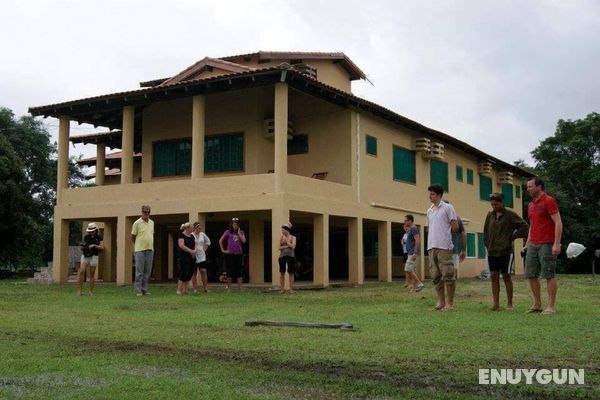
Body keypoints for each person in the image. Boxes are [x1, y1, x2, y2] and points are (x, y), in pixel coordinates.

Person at [483, 192, 529, 311]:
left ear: (502, 203)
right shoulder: (489, 215)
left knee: (506, 276)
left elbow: (524, 226)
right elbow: (486, 231)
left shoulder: (510, 215)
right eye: (492, 204)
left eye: (496, 204)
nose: (494, 206)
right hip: (492, 251)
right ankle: (495, 304)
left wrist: (512, 237)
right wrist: (487, 244)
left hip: (505, 251)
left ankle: (509, 304)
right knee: (493, 276)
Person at [524, 177, 562, 315]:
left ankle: (551, 306)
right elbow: (532, 225)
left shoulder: (549, 201)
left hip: (547, 243)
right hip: (533, 243)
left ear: (539, 187)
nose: (528, 189)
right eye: (527, 187)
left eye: (530, 186)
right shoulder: (531, 204)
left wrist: (556, 243)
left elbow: (558, 222)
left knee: (548, 274)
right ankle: (537, 304)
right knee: (531, 274)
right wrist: (527, 242)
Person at [426, 184, 459, 311]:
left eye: (432, 194)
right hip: (431, 246)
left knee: (448, 274)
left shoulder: (448, 208)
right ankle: (441, 302)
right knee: (435, 275)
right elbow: (430, 228)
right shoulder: (429, 211)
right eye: (429, 194)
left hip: (444, 246)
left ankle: (449, 304)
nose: (430, 196)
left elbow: (455, 226)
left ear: (439, 195)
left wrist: (448, 234)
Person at [131, 205, 154, 296]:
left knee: (147, 271)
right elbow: (132, 237)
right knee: (139, 271)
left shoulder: (152, 222)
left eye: (148, 212)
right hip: (140, 250)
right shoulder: (137, 223)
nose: (147, 214)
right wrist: (137, 245)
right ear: (142, 212)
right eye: (145, 212)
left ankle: (144, 289)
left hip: (150, 249)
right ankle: (138, 290)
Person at [77, 222, 104, 296]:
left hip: (94, 256)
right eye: (89, 231)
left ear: (95, 230)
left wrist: (94, 246)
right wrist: (83, 247)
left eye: (92, 230)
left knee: (92, 274)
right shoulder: (86, 237)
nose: (90, 232)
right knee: (82, 271)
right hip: (85, 255)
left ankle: (90, 291)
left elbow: (102, 247)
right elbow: (83, 246)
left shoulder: (99, 237)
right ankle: (79, 291)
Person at [219, 217, 246, 289]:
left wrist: (239, 234)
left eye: (236, 224)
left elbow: (244, 241)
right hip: (230, 254)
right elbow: (221, 240)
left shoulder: (241, 232)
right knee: (229, 270)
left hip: (238, 254)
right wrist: (223, 250)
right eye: (234, 224)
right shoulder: (228, 232)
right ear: (232, 224)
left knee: (239, 270)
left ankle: (240, 287)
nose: (235, 226)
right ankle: (229, 287)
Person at [403, 215, 424, 292]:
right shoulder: (411, 229)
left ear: (410, 221)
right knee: (413, 270)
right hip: (410, 253)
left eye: (406, 220)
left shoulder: (414, 228)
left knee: (408, 269)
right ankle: (414, 288)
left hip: (412, 253)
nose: (404, 222)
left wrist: (415, 252)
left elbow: (417, 240)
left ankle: (419, 283)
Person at [176, 222, 196, 295]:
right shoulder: (181, 235)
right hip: (184, 257)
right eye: (191, 228)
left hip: (191, 257)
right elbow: (181, 246)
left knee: (189, 273)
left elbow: (195, 245)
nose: (193, 229)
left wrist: (194, 251)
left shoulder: (192, 236)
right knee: (183, 273)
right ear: (187, 228)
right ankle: (179, 290)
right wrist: (190, 251)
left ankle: (185, 290)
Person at [191, 221, 211, 293]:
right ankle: (195, 289)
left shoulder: (202, 234)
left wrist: (204, 249)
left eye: (200, 228)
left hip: (202, 256)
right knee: (194, 272)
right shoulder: (191, 235)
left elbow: (208, 242)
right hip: (194, 255)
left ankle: (205, 288)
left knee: (203, 271)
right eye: (198, 228)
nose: (200, 229)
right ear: (195, 228)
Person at [278, 223, 297, 293]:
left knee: (291, 272)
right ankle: (282, 289)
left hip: (291, 256)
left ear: (287, 230)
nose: (282, 231)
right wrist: (287, 246)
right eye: (282, 230)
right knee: (282, 272)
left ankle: (291, 289)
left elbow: (293, 247)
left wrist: (287, 242)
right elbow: (279, 247)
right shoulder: (281, 237)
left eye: (283, 230)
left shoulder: (293, 237)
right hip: (282, 256)